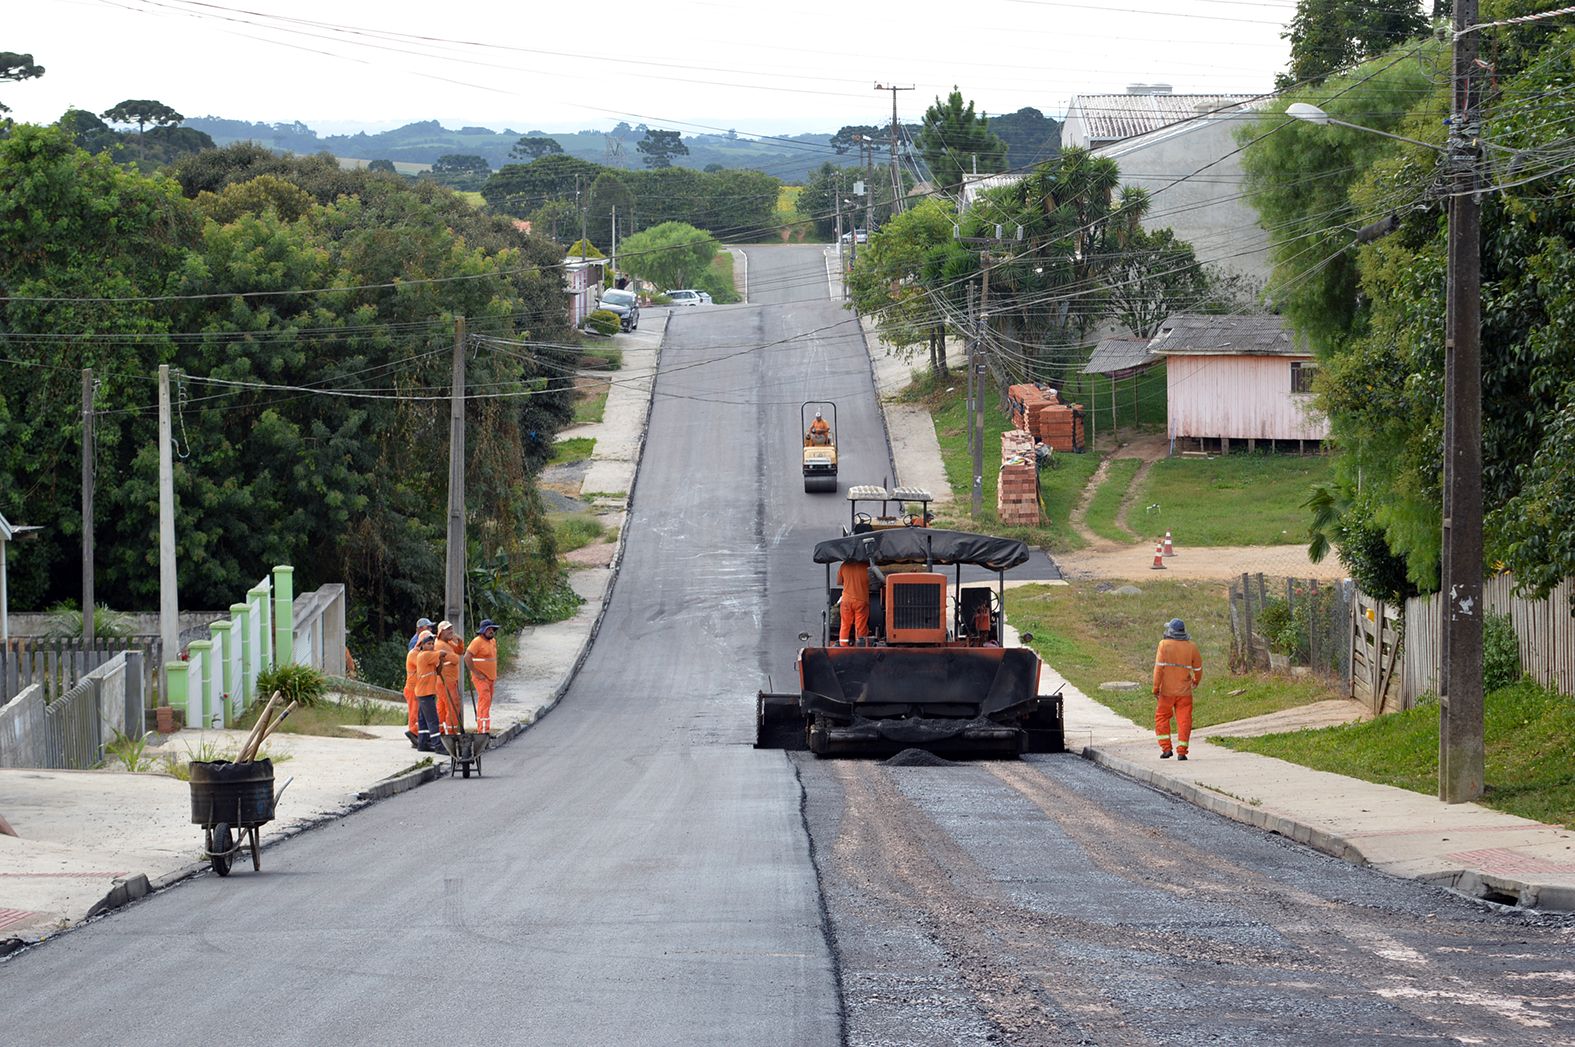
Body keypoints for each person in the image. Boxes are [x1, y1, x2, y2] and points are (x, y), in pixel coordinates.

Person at [1153, 618, 1204, 760]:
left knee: (1162, 717)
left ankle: (1166, 748)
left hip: (1167, 691)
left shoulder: (1163, 645)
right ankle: (1182, 751)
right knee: (1184, 720)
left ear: (1170, 631)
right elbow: (1198, 668)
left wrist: (1156, 687)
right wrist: (1196, 681)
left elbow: (1159, 669)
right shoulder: (1191, 646)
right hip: (1184, 692)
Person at [464, 619, 500, 737]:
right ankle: (483, 732)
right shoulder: (477, 642)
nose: (491, 631)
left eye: (492, 629)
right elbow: (467, 657)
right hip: (481, 678)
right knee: (484, 701)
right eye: (489, 629)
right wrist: (475, 672)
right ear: (483, 630)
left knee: (486, 702)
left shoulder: (493, 641)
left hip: (491, 677)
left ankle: (483, 729)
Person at [837, 557, 884, 646]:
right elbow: (874, 583)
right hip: (861, 600)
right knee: (860, 625)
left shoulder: (844, 566)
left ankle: (843, 645)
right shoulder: (866, 567)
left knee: (845, 624)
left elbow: (839, 582)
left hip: (846, 600)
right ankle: (860, 645)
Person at [411, 631, 444, 753]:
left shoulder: (430, 656)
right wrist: (444, 653)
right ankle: (437, 745)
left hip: (425, 692)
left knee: (423, 720)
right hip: (425, 693)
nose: (431, 646)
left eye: (432, 644)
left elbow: (438, 670)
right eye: (429, 643)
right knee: (433, 719)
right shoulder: (424, 655)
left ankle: (423, 743)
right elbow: (441, 653)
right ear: (422, 645)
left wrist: (440, 661)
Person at [434, 620, 465, 749]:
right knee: (452, 707)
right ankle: (451, 734)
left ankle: (441, 732)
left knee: (442, 708)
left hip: (449, 681)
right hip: (446, 682)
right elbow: (455, 658)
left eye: (451, 629)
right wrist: (453, 656)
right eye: (447, 630)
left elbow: (460, 651)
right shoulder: (439, 645)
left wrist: (460, 641)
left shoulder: (448, 643)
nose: (451, 632)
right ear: (441, 632)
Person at [402, 640, 421, 748]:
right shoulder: (414, 654)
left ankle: (416, 734)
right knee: (414, 714)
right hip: (413, 689)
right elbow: (423, 666)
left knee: (418, 713)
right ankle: (413, 734)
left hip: (417, 688)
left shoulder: (418, 653)